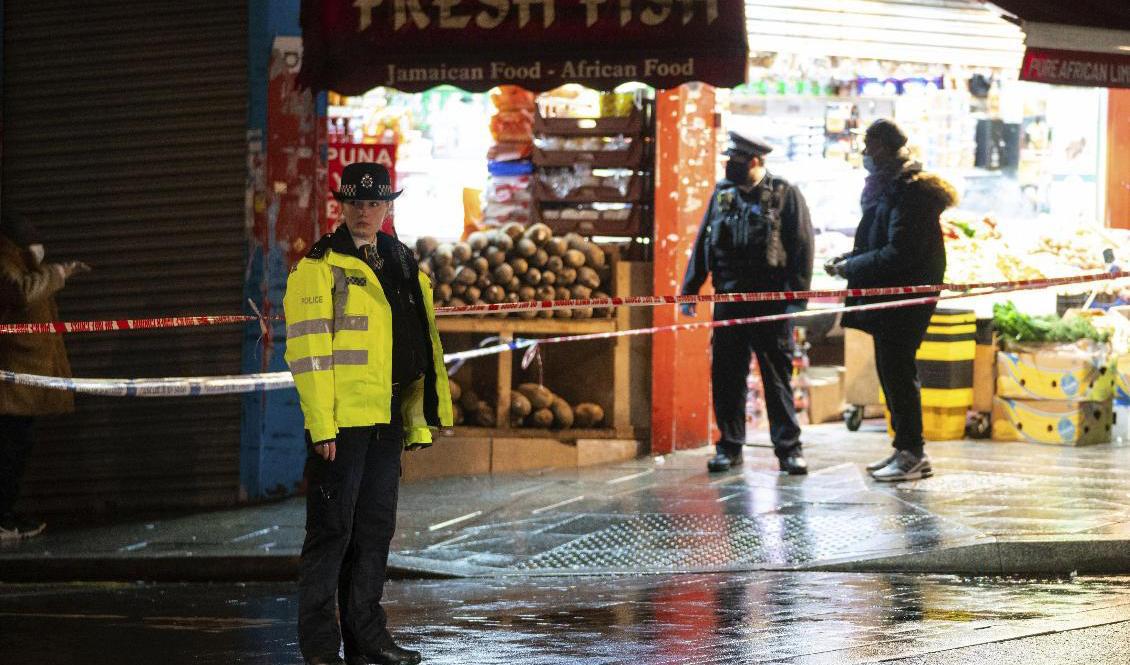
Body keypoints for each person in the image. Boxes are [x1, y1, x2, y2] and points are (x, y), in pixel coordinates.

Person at [284, 163, 453, 665]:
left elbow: (419, 344)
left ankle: (368, 641)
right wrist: (322, 425)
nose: (364, 212)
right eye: (355, 202)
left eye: (374, 202)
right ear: (341, 205)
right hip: (342, 425)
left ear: (388, 207)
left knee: (375, 531)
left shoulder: (401, 263)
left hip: (386, 421)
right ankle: (320, 650)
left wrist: (416, 419)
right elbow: (309, 355)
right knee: (331, 534)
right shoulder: (319, 266)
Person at [825, 119, 953, 482]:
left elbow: (900, 252)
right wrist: (849, 259)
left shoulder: (911, 193)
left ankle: (913, 453)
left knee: (898, 372)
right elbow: (881, 241)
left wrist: (852, 267)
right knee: (890, 370)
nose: (865, 153)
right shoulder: (891, 188)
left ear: (883, 147)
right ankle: (904, 448)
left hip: (904, 299)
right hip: (889, 296)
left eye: (869, 146)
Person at [682, 132, 814, 475]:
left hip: (771, 302)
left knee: (777, 378)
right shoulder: (723, 193)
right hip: (728, 298)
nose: (729, 166)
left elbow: (801, 246)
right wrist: (690, 288)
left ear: (755, 162)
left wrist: (796, 299)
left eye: (736, 161)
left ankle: (789, 450)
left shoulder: (784, 193)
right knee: (727, 376)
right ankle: (729, 446)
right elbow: (704, 242)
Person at [0, 211, 89, 540]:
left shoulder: (20, 264)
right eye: (31, 235)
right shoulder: (6, 263)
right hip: (10, 384)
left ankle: (6, 513)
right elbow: (21, 293)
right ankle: (1, 518)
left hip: (23, 384)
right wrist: (58, 272)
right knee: (8, 451)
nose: (38, 242)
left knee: (17, 449)